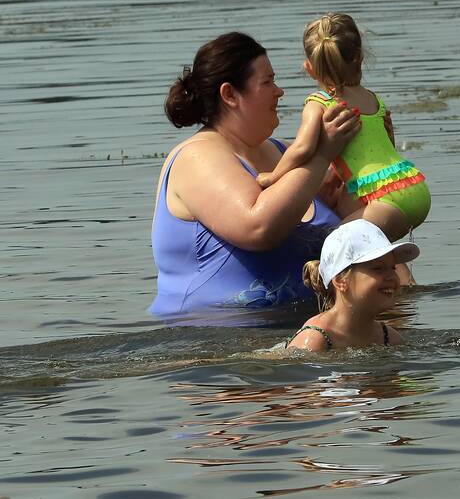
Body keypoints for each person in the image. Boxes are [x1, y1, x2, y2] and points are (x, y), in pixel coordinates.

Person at [149, 31, 361, 317]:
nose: (280, 91)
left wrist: (373, 151)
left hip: (306, 339)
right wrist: (323, 155)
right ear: (230, 95)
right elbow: (258, 227)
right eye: (268, 81)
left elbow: (360, 211)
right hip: (214, 347)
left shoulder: (284, 154)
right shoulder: (196, 157)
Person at [256, 13, 430, 242]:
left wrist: (273, 177)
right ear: (360, 57)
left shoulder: (319, 103)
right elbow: (377, 152)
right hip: (415, 187)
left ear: (309, 68)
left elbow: (302, 148)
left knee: (333, 246)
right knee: (372, 255)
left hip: (385, 202)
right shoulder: (374, 100)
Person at [286, 219, 419, 350]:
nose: (392, 276)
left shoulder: (389, 338)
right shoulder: (314, 341)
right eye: (378, 268)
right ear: (340, 280)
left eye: (393, 268)